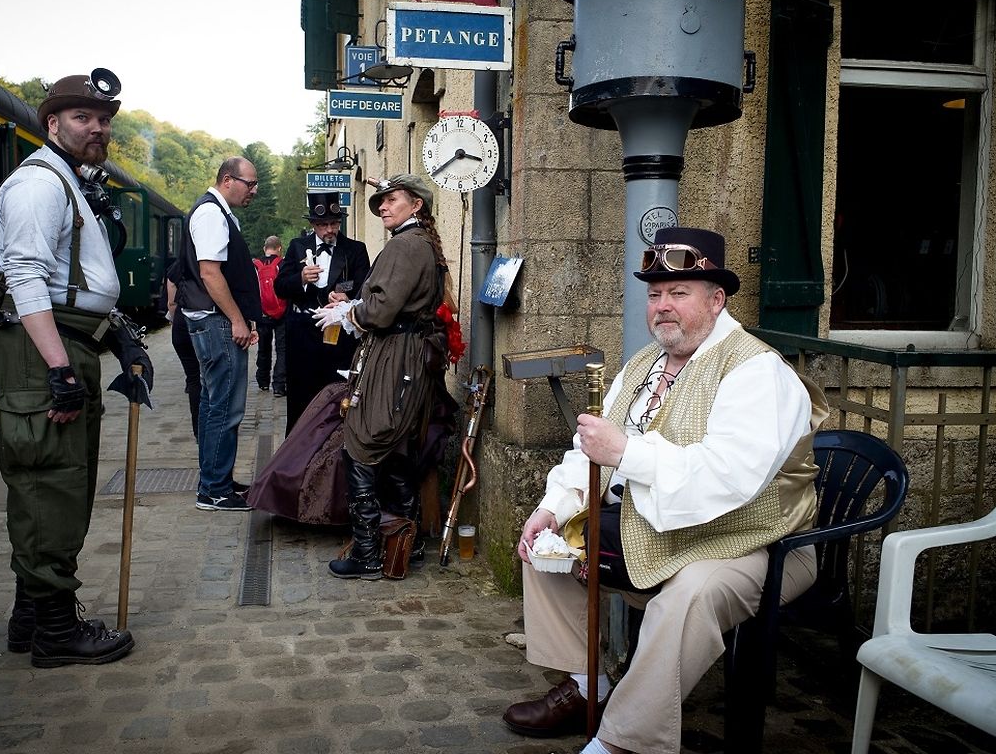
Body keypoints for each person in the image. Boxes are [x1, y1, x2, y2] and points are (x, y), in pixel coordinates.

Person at [500, 226, 829, 754]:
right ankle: (589, 686)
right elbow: (591, 450)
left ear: (717, 300)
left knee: (688, 597)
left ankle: (623, 740)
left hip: (758, 541)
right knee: (546, 548)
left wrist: (625, 453)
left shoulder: (756, 370)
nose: (662, 306)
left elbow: (730, 477)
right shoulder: (641, 367)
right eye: (655, 294)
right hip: (659, 526)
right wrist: (555, 507)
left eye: (679, 293)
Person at [0, 71, 152, 668]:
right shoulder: (38, 185)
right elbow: (27, 278)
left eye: (104, 119)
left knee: (59, 485)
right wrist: (59, 369)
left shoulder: (70, 183)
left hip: (65, 344)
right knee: (50, 487)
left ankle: (30, 616)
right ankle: (56, 633)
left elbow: (78, 290)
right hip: (42, 353)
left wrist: (123, 344)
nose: (97, 129)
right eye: (83, 118)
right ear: (52, 124)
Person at [316, 175, 449, 580]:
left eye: (391, 200)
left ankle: (370, 554)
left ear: (416, 205)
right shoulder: (419, 244)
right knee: (393, 447)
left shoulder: (407, 246)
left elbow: (380, 312)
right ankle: (407, 541)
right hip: (403, 354)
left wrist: (349, 312)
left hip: (396, 357)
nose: (383, 208)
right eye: (380, 202)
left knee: (363, 443)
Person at [175, 157, 262, 512]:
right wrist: (238, 320)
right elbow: (210, 274)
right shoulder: (211, 213)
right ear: (228, 180)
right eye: (250, 183)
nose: (254, 191)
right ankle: (213, 490)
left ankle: (216, 480)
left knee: (215, 406)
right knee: (225, 408)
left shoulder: (217, 211)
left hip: (215, 322)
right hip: (217, 323)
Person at [274, 192, 370, 433]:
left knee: (336, 396)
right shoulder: (298, 247)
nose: (330, 229)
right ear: (313, 225)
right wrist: (301, 279)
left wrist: (348, 299)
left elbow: (366, 289)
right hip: (302, 336)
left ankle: (333, 454)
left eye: (334, 223)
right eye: (323, 224)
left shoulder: (355, 250)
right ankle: (295, 455)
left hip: (338, 338)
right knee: (300, 399)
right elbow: (280, 287)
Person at [165, 263, 200, 435]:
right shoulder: (209, 261)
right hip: (205, 319)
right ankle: (213, 427)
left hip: (181, 320)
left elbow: (171, 302)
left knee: (193, 379)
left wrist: (174, 319)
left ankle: (198, 430)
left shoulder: (177, 266)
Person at [252, 235, 287, 396]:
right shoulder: (282, 263)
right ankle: (279, 385)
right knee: (282, 349)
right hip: (282, 313)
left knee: (263, 348)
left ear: (264, 248)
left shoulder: (255, 265)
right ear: (279, 248)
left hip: (261, 313)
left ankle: (263, 381)